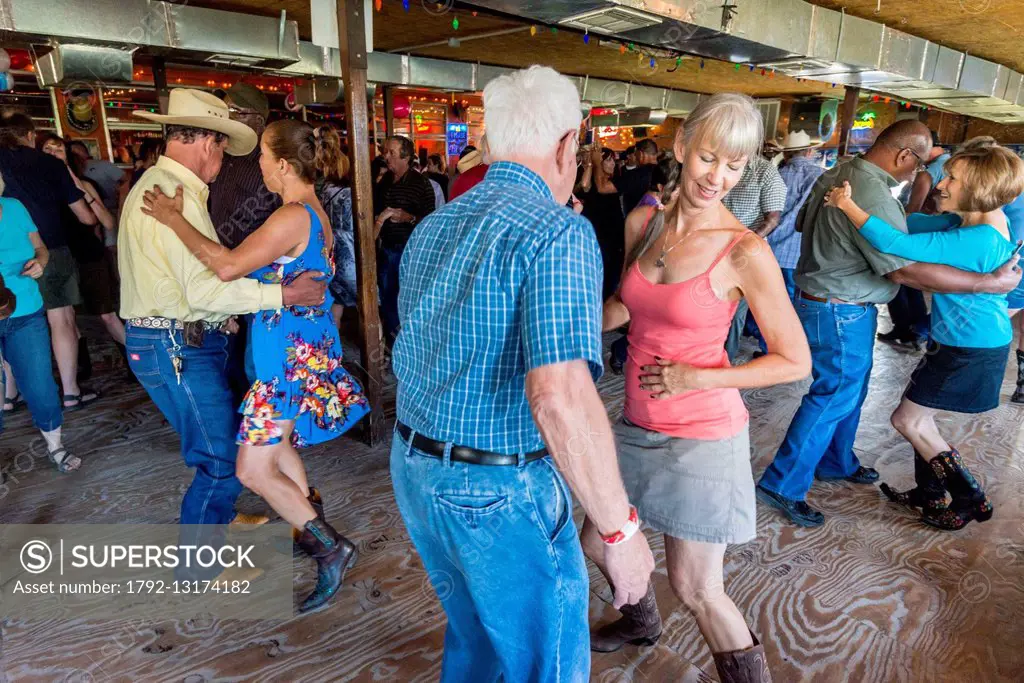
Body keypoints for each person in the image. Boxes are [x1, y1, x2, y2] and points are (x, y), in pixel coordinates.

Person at [391, 65, 654, 682]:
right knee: (546, 664)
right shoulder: (558, 232)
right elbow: (559, 398)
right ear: (568, 145)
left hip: (416, 470)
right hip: (495, 490)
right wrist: (620, 533)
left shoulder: (435, 225)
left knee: (478, 639)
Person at [586, 93, 809, 683]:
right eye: (709, 158)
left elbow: (794, 361)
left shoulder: (745, 250)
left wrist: (699, 375)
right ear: (682, 148)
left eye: (735, 165)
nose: (719, 177)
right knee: (597, 540)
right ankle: (639, 621)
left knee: (697, 587)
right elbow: (623, 306)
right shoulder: (649, 223)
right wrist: (562, 325)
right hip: (635, 423)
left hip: (701, 435)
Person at [141, 117, 370, 612]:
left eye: (263, 157)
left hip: (285, 364)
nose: (258, 166)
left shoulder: (291, 216)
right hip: (296, 353)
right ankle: (305, 517)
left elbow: (225, 266)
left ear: (284, 164)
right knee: (280, 445)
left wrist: (172, 218)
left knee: (250, 470)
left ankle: (329, 546)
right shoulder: (313, 211)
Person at [756, 119, 1023, 528]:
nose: (931, 180)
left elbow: (800, 224)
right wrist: (984, 283)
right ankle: (783, 483)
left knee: (852, 389)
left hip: (838, 302)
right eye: (924, 168)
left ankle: (837, 460)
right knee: (837, 393)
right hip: (841, 306)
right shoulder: (874, 194)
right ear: (904, 156)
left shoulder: (839, 172)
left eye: (948, 176)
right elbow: (902, 270)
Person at [119, 89, 328, 573]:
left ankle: (235, 525)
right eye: (225, 150)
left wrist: (217, 314)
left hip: (180, 338)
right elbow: (211, 285)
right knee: (220, 456)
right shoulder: (172, 195)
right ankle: (197, 565)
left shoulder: (176, 191)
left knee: (227, 447)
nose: (230, 163)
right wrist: (282, 296)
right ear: (208, 143)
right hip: (174, 343)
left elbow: (199, 285)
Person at [0, 112, 101, 412]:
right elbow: (85, 217)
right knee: (62, 320)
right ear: (30, 135)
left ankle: (9, 395)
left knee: (7, 319)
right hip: (51, 249)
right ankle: (70, 392)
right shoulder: (51, 164)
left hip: (7, 259)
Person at [0, 171, 80, 472]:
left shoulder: (15, 207)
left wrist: (40, 264)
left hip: (26, 310)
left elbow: (41, 249)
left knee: (40, 383)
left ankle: (55, 446)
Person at [37, 134, 126, 352]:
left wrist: (73, 181)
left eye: (58, 149)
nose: (53, 154)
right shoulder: (37, 189)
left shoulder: (84, 183)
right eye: (47, 149)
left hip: (88, 255)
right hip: (58, 257)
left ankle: (134, 358)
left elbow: (107, 221)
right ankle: (81, 364)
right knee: (66, 317)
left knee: (106, 314)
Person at [748, 131, 824, 357]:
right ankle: (792, 350)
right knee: (797, 304)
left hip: (770, 250)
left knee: (769, 303)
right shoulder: (821, 176)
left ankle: (769, 348)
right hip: (802, 252)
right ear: (809, 152)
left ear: (787, 154)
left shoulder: (775, 174)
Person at [879, 132, 950, 351]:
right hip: (928, 234)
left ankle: (905, 330)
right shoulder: (946, 165)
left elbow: (913, 210)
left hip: (915, 232)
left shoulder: (931, 171)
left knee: (898, 279)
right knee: (912, 285)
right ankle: (913, 330)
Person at [721, 144, 787, 362]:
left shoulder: (765, 171)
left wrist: (745, 245)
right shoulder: (722, 165)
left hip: (744, 256)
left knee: (735, 312)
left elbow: (772, 219)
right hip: (713, 248)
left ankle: (724, 362)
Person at [375, 135, 435, 347]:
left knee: (410, 298)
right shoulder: (384, 183)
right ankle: (396, 343)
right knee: (388, 296)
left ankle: (412, 343)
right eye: (385, 152)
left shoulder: (421, 184)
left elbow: (431, 221)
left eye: (391, 153)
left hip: (411, 250)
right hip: (387, 247)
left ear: (406, 156)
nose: (386, 157)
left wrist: (408, 217)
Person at [314, 131, 358, 330]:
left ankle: (334, 351)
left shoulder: (317, 189)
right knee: (366, 303)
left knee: (335, 303)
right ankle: (376, 350)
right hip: (350, 252)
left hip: (326, 249)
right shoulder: (351, 192)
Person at [579, 145, 625, 300]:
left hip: (614, 237)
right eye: (608, 160)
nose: (613, 164)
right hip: (599, 236)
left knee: (612, 275)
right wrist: (592, 163)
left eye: (613, 160)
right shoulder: (593, 181)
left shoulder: (614, 181)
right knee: (602, 275)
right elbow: (584, 185)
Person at [68, 140, 126, 217]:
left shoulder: (102, 164)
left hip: (111, 211)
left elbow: (128, 180)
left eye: (74, 152)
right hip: (88, 214)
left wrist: (121, 197)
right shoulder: (68, 172)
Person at [618, 138, 659, 215]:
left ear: (640, 154)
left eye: (636, 156)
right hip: (659, 220)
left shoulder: (637, 174)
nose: (636, 160)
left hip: (638, 221)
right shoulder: (665, 171)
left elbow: (603, 188)